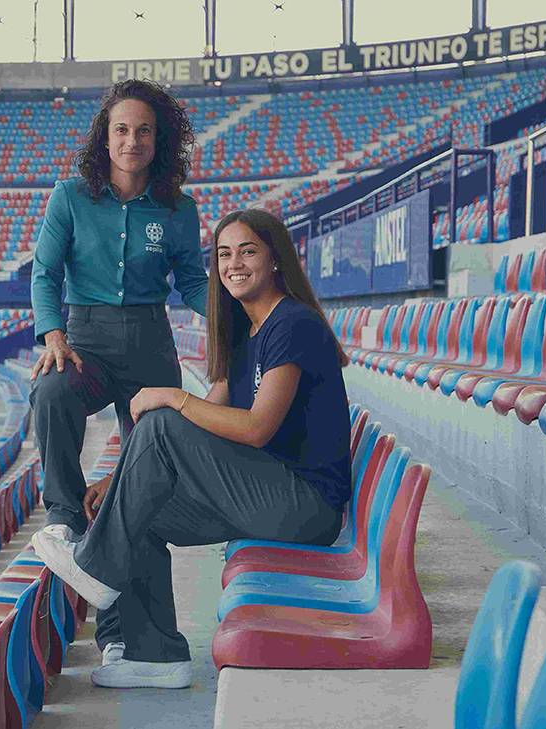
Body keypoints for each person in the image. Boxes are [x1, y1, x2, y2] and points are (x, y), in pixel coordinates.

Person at [32, 208, 352, 689]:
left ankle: (94, 566)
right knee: (138, 506)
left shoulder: (293, 323)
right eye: (224, 254)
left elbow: (256, 428)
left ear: (276, 260)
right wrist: (120, 482)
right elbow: (212, 417)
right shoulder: (245, 333)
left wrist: (172, 397)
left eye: (248, 251)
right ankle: (156, 655)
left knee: (162, 422)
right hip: (264, 491)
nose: (234, 264)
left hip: (305, 505)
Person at [28, 79, 208, 663]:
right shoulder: (70, 196)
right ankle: (62, 516)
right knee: (51, 390)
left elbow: (193, 283)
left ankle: (133, 641)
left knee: (141, 495)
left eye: (144, 131)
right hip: (85, 343)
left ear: (160, 140)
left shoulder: (178, 208)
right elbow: (44, 274)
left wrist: (240, 319)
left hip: (151, 349)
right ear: (105, 138)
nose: (132, 141)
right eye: (122, 129)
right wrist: (53, 333)